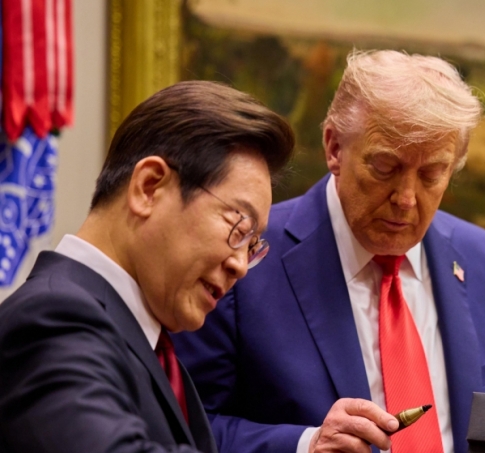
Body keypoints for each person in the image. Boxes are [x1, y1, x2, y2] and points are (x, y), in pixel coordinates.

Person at [174, 50, 485, 453]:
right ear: (334, 147)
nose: (406, 199)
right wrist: (306, 445)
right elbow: (184, 428)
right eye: (385, 167)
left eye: (432, 174)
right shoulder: (241, 258)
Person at [0, 81, 295, 453]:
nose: (241, 266)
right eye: (238, 227)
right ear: (149, 187)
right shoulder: (51, 319)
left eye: (252, 245)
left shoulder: (153, 347)